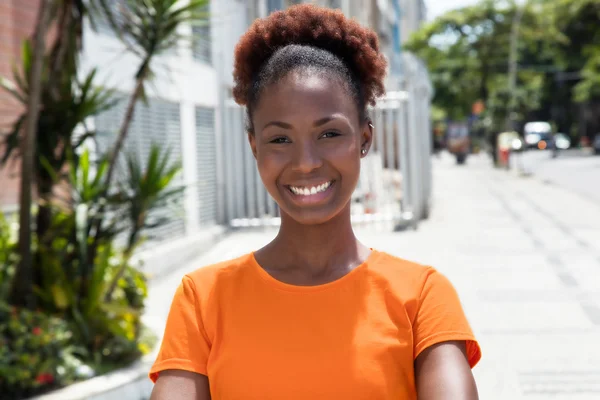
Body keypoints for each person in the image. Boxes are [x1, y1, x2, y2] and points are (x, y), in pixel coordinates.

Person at [149, 4, 481, 399]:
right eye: (280, 139)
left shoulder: (422, 296)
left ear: (364, 138)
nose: (306, 163)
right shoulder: (203, 299)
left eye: (329, 134)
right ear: (254, 146)